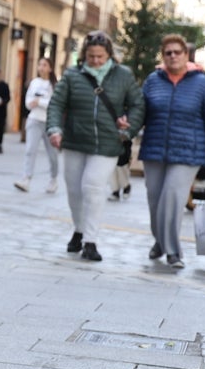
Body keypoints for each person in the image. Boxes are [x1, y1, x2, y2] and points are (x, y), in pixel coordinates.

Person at [45, 31, 144, 262]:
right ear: (84, 55)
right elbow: (56, 104)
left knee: (93, 186)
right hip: (75, 140)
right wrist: (54, 129)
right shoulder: (72, 75)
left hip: (108, 142)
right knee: (73, 190)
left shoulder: (123, 75)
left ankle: (90, 240)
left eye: (100, 56)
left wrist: (128, 128)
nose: (96, 61)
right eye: (91, 56)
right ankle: (79, 229)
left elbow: (138, 105)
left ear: (109, 54)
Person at [138, 35, 205, 270]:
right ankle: (160, 241)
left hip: (188, 152)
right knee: (155, 201)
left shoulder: (202, 83)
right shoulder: (153, 81)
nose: (173, 56)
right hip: (154, 150)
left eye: (178, 52)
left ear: (186, 56)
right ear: (163, 56)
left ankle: (173, 251)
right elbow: (140, 112)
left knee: (173, 200)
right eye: (168, 53)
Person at [15, 56, 59, 193]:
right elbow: (28, 102)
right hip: (34, 120)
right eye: (40, 64)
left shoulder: (54, 85)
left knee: (52, 154)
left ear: (50, 68)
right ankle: (26, 178)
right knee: (30, 150)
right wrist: (35, 102)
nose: (41, 67)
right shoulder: (34, 82)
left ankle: (53, 179)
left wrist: (39, 102)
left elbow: (54, 104)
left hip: (49, 123)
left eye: (45, 64)